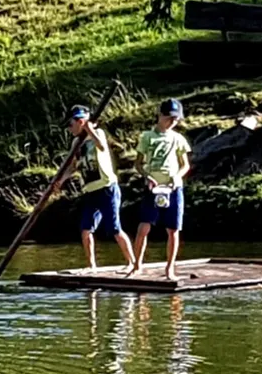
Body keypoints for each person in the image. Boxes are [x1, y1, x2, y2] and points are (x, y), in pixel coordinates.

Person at [129, 98, 194, 280]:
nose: (172, 122)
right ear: (160, 115)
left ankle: (169, 269)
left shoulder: (178, 138)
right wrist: (146, 176)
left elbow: (185, 165)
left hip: (173, 189)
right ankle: (136, 266)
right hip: (153, 188)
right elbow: (138, 163)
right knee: (144, 227)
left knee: (173, 229)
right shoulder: (147, 137)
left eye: (176, 119)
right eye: (169, 118)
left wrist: (177, 176)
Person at [67, 105, 135, 272]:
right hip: (90, 190)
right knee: (85, 229)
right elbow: (72, 167)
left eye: (70, 124)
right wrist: (59, 181)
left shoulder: (99, 134)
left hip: (107, 187)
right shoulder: (76, 143)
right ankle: (91, 265)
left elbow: (102, 147)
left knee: (114, 228)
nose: (69, 129)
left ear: (80, 122)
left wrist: (90, 131)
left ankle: (132, 263)